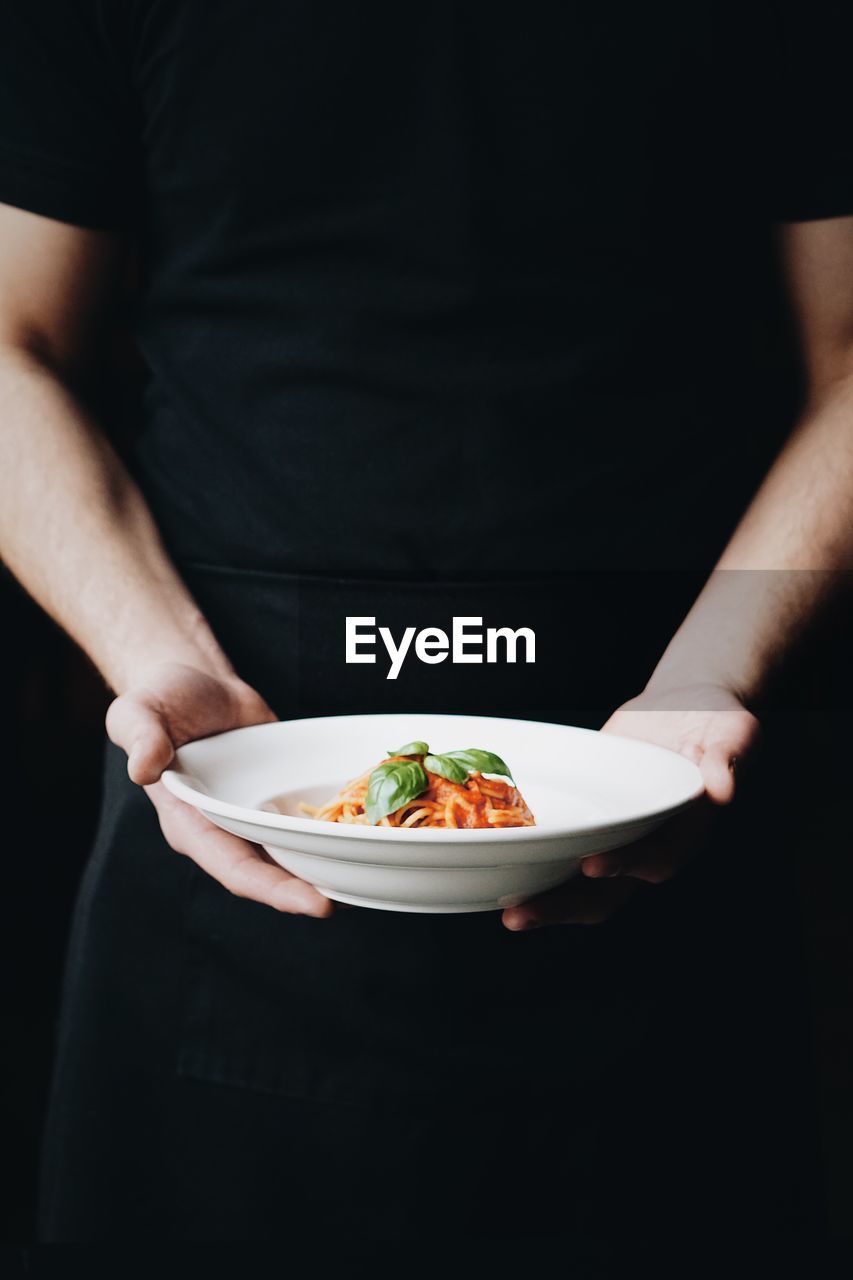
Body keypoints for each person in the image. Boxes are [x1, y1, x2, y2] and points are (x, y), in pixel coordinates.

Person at [0, 0, 851, 1259]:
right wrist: (154, 658)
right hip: (222, 749)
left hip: (671, 749)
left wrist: (714, 668)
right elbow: (10, 345)